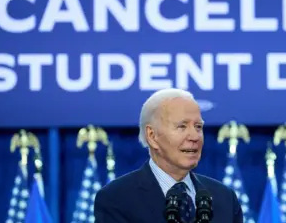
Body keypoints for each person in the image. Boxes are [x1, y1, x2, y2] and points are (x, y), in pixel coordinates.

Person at [94, 88, 243, 223]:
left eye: (198, 127)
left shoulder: (225, 199)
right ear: (152, 136)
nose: (194, 136)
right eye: (182, 126)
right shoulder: (116, 199)